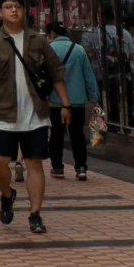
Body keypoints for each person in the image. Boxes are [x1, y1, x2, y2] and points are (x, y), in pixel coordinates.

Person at [0, 0, 70, 234]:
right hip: (2, 113)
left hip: (35, 113)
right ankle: (7, 194)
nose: (13, 10)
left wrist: (66, 105)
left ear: (24, 11)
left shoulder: (38, 40)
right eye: (8, 6)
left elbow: (56, 73)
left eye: (17, 6)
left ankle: (35, 214)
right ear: (0, 12)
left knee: (35, 163)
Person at [49, 20, 99, 181]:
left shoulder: (48, 49)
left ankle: (57, 167)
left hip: (55, 100)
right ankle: (81, 167)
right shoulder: (79, 50)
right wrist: (94, 98)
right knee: (77, 133)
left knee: (56, 134)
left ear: (52, 34)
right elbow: (88, 76)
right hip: (77, 100)